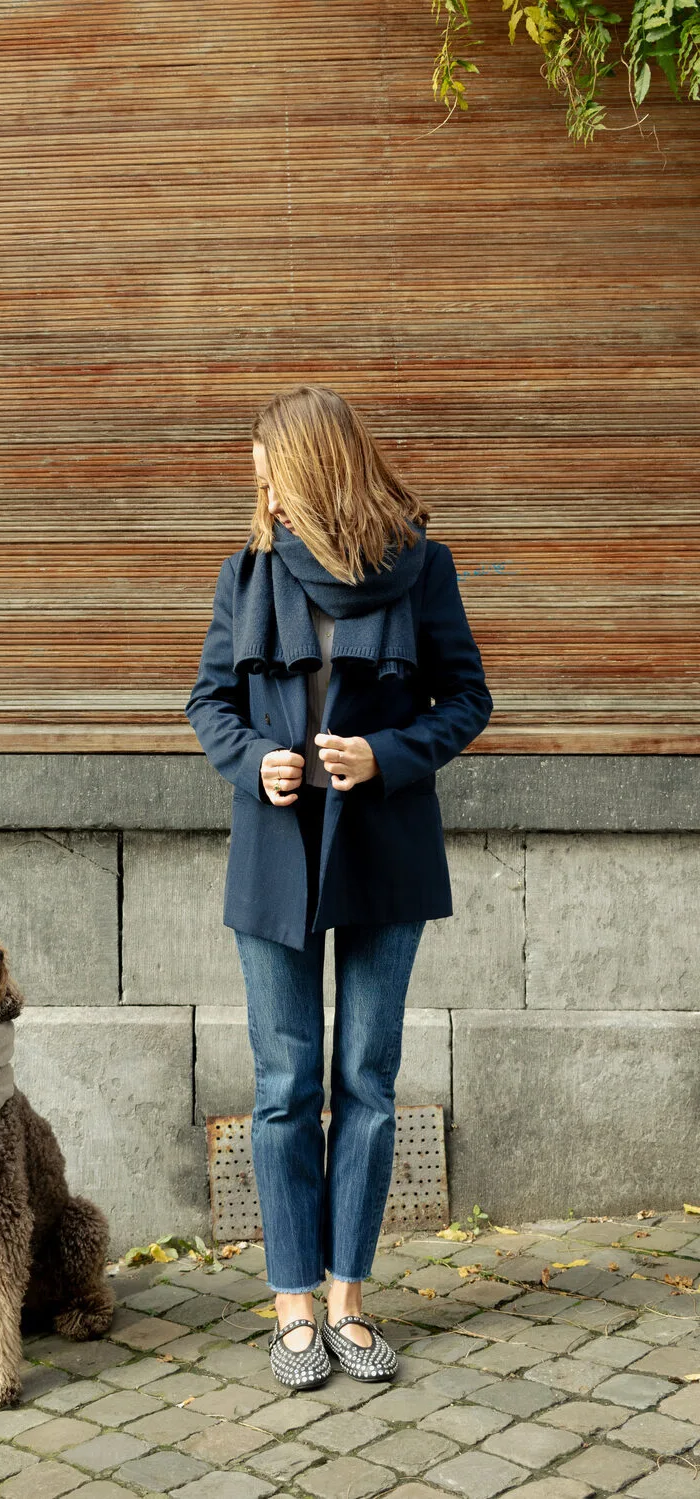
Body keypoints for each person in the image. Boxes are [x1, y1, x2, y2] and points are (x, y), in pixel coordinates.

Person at [185, 386, 494, 1389]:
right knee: (283, 1087)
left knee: (365, 1077)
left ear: (311, 470)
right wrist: (253, 763)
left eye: (268, 466)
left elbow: (468, 698)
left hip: (384, 852)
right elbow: (209, 701)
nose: (258, 483)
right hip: (274, 858)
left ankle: (351, 1298)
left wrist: (385, 755)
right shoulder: (247, 572)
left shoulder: (421, 571)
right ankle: (291, 1308)